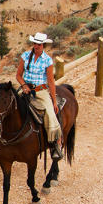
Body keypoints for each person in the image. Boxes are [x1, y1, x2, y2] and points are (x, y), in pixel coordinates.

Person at [16, 32, 63, 160]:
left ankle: (56, 143)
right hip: (26, 89)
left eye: (39, 44)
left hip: (40, 91)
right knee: (9, 106)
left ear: (43, 45)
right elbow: (18, 75)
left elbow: (51, 82)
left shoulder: (47, 60)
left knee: (50, 113)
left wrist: (53, 100)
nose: (36, 46)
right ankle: (1, 138)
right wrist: (24, 85)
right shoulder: (25, 56)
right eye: (35, 43)